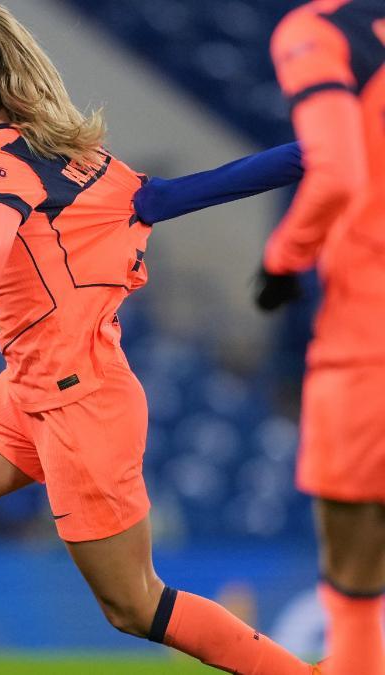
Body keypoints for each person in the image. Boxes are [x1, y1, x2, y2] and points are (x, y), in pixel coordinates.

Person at [0, 6, 319, 674]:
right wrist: (23, 317)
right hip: (29, 387)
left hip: (81, 406)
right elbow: (174, 196)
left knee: (134, 605)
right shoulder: (76, 158)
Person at [255, 2, 385, 674]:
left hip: (368, 339)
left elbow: (336, 171)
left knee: (356, 573)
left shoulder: (321, 31)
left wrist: (282, 260)